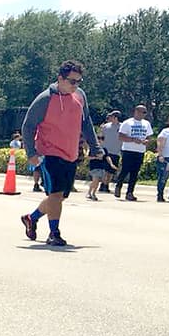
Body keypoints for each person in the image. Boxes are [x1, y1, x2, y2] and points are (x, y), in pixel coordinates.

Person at [19, 60, 100, 247]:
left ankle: (32, 217)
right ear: (60, 79)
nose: (76, 85)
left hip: (70, 153)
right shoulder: (45, 99)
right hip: (48, 152)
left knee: (60, 196)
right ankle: (54, 233)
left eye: (79, 81)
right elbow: (28, 126)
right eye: (72, 81)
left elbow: (86, 123)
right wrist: (31, 152)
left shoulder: (80, 96)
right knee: (55, 194)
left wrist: (95, 148)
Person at [113, 105, 152, 201]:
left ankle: (130, 192)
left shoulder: (146, 124)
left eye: (145, 112)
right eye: (142, 112)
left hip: (140, 151)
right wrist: (132, 139)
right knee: (125, 170)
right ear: (136, 111)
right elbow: (121, 137)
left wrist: (146, 141)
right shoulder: (127, 123)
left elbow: (149, 137)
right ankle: (118, 186)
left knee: (135, 172)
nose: (143, 114)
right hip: (128, 150)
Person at [99, 110, 122, 177]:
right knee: (105, 170)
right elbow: (101, 137)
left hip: (116, 152)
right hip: (106, 152)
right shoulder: (105, 126)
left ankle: (106, 185)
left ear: (116, 117)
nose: (110, 118)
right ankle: (103, 186)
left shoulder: (122, 126)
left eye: (111, 116)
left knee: (111, 171)